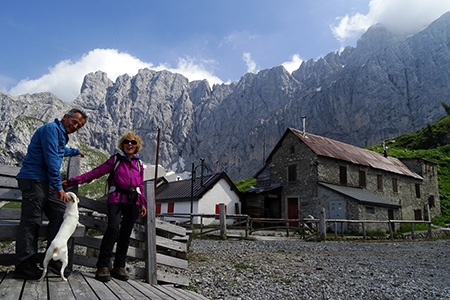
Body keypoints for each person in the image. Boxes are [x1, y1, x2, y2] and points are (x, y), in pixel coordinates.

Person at [62, 131, 147, 282]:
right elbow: (96, 173)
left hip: (133, 202)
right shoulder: (115, 160)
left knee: (126, 234)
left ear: (137, 146)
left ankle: (119, 266)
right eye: (127, 141)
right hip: (116, 199)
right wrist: (73, 181)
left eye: (133, 142)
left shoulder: (139, 164)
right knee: (113, 228)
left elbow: (140, 184)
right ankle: (102, 266)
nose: (130, 144)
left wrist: (143, 203)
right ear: (122, 144)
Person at [14, 108, 87, 280]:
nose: (76, 126)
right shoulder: (51, 130)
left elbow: (60, 151)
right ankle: (24, 264)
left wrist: (76, 151)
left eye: (79, 125)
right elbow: (53, 159)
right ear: (65, 117)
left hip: (45, 183)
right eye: (74, 122)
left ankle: (54, 259)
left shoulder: (60, 135)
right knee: (32, 220)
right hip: (33, 180)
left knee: (61, 214)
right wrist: (58, 187)